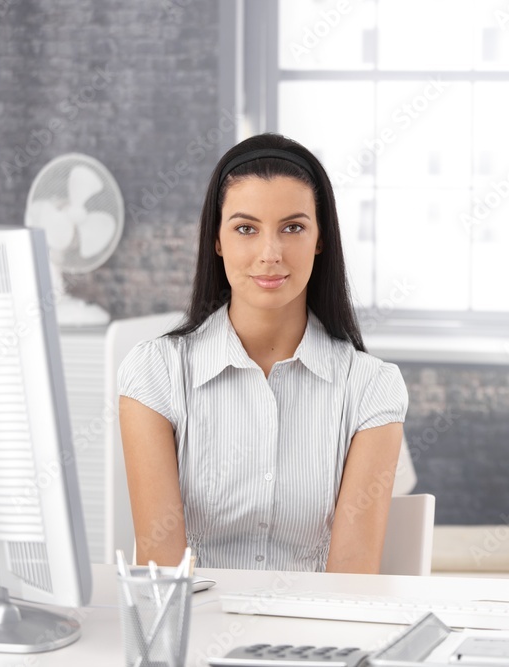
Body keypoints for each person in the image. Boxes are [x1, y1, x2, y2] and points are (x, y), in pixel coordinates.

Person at [117, 133, 408, 573]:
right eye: (245, 229)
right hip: (195, 633)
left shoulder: (371, 388)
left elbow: (352, 578)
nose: (270, 254)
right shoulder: (155, 374)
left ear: (319, 239)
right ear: (217, 240)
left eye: (293, 228)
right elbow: (164, 578)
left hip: (315, 634)